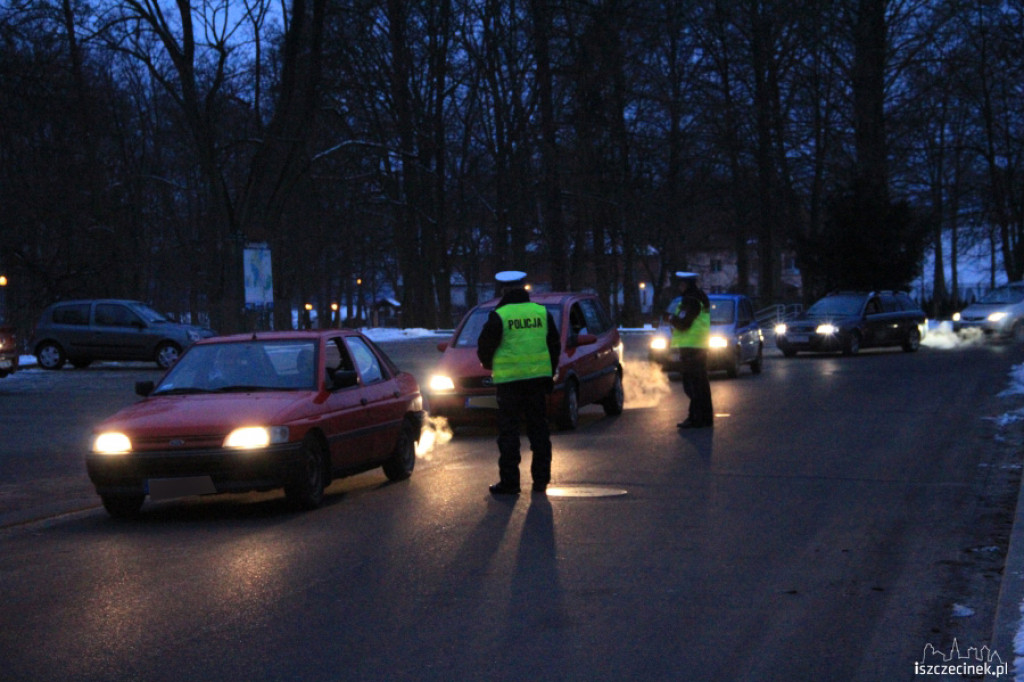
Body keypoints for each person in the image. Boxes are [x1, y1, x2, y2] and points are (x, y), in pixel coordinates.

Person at [476, 271, 562, 495]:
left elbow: (484, 347)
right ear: (525, 289)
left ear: (503, 290)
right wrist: (549, 372)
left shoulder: (499, 316)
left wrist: (490, 365)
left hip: (509, 384)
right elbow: (554, 345)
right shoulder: (542, 313)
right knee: (539, 430)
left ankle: (510, 483)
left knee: (509, 433)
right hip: (537, 383)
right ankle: (541, 481)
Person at [665, 271, 714, 428]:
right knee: (700, 384)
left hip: (691, 347)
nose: (679, 287)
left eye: (680, 284)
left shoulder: (691, 300)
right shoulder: (700, 297)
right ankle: (703, 418)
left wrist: (671, 318)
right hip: (699, 346)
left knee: (693, 385)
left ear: (686, 284)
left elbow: (684, 323)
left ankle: (696, 418)